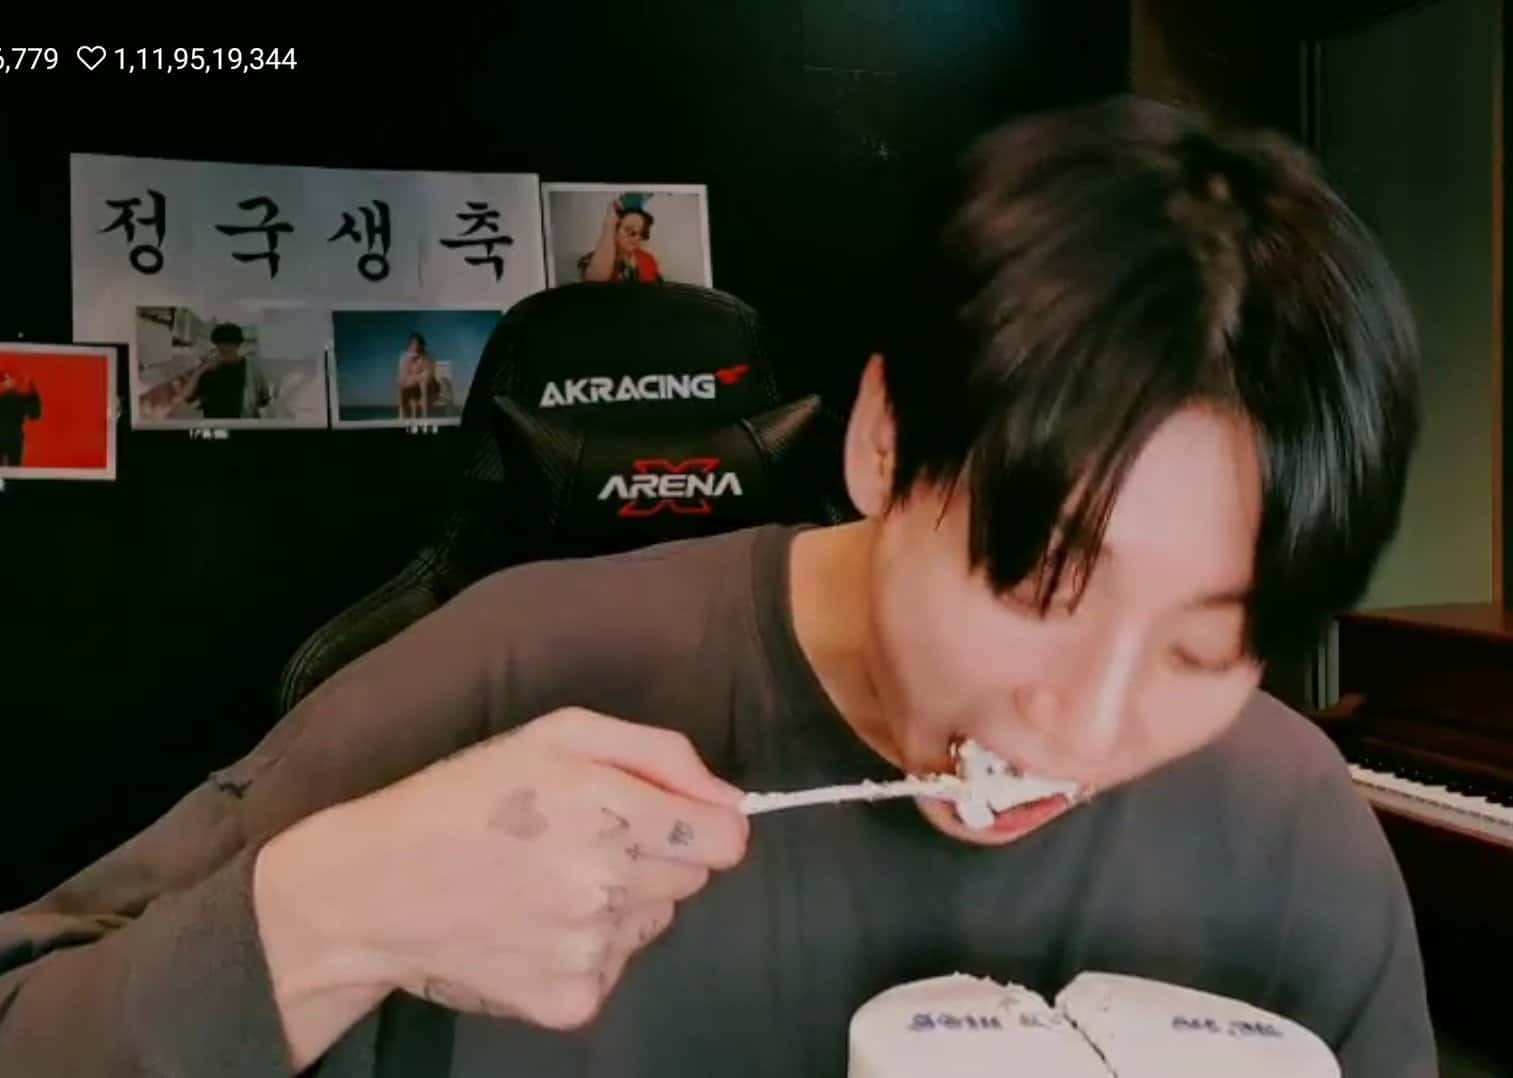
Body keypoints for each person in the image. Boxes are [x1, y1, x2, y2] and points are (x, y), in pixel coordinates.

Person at [0, 97, 1432, 1077]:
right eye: (1042, 581)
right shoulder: (508, 677)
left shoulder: (1288, 833)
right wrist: (333, 916)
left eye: (1206, 649)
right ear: (884, 438)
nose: (1092, 723)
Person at [174, 322, 273, 420]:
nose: (224, 350)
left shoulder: (252, 369)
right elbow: (185, 397)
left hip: (243, 424)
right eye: (221, 348)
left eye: (228, 349)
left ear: (238, 345)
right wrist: (200, 370)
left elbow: (263, 400)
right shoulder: (208, 367)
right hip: (217, 425)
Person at [578, 195, 664, 282]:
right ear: (614, 229)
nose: (637, 238)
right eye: (629, 231)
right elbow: (595, 281)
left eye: (642, 233)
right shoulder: (594, 259)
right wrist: (609, 222)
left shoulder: (648, 260)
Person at [0, 368, 42, 467]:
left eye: (10, 380)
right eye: (4, 381)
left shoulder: (21, 398)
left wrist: (32, 392)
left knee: (15, 468)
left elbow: (34, 414)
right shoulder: (18, 398)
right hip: (11, 437)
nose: (8, 383)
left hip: (15, 437)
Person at [397, 333, 441, 419]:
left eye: (416, 343)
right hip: (413, 386)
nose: (414, 346)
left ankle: (424, 415)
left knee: (423, 382)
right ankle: (401, 415)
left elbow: (428, 375)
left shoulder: (427, 356)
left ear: (421, 346)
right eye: (412, 343)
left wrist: (415, 378)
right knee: (400, 384)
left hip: (429, 387)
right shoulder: (404, 357)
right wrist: (409, 360)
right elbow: (402, 376)